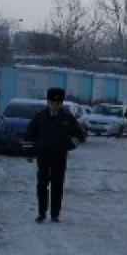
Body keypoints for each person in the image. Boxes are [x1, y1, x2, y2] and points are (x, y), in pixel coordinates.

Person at [24, 87, 85, 223]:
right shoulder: (39, 117)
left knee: (57, 185)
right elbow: (29, 135)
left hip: (59, 157)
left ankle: (55, 214)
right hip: (43, 156)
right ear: (48, 102)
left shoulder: (67, 118)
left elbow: (78, 135)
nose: (55, 106)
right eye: (52, 103)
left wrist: (68, 146)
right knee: (42, 185)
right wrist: (29, 153)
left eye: (58, 103)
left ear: (61, 104)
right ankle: (41, 213)